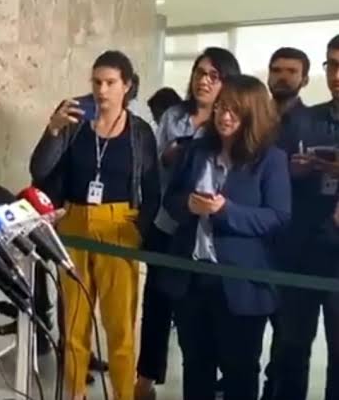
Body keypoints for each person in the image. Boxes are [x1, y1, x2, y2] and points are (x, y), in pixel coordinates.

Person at [30, 50, 160, 400]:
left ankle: (122, 394)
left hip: (119, 225)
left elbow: (153, 188)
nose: (102, 90)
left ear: (126, 86)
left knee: (119, 325)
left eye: (110, 83)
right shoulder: (74, 124)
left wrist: (139, 230)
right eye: (97, 82)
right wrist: (53, 129)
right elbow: (40, 169)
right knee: (74, 321)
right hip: (74, 221)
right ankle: (75, 392)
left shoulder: (139, 132)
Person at [157, 75, 291, 400]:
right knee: (196, 366)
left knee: (240, 372)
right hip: (192, 278)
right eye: (220, 108)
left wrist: (226, 211)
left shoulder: (270, 159)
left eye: (233, 110)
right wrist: (188, 205)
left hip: (241, 283)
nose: (224, 116)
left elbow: (278, 216)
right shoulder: (196, 151)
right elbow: (171, 199)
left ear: (252, 114)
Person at [135, 47, 241, 400]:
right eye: (199, 72)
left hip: (210, 232)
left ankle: (215, 378)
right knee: (156, 302)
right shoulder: (174, 115)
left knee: (202, 314)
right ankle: (147, 376)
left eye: (213, 75)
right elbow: (152, 168)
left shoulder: (231, 119)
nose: (204, 81)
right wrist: (168, 157)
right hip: (167, 222)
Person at [273, 35, 339, 400]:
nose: (337, 75)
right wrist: (293, 171)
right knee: (292, 347)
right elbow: (273, 175)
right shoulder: (304, 120)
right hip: (303, 250)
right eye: (333, 65)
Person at [260, 46, 311, 400]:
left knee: (291, 337)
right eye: (276, 70)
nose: (282, 77)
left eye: (291, 71)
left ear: (304, 79)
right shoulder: (255, 118)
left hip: (296, 243)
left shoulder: (312, 123)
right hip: (253, 238)